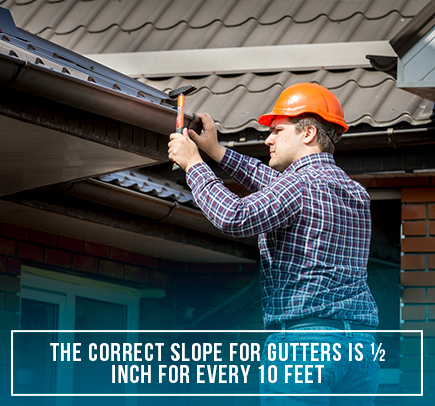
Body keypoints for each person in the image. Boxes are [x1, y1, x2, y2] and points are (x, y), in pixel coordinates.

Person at [168, 82, 380, 405]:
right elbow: (276, 186)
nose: (268, 138)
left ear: (307, 133)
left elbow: (234, 216)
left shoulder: (299, 186)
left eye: (277, 130)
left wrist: (194, 165)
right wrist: (216, 152)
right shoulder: (354, 192)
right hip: (361, 347)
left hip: (304, 347)